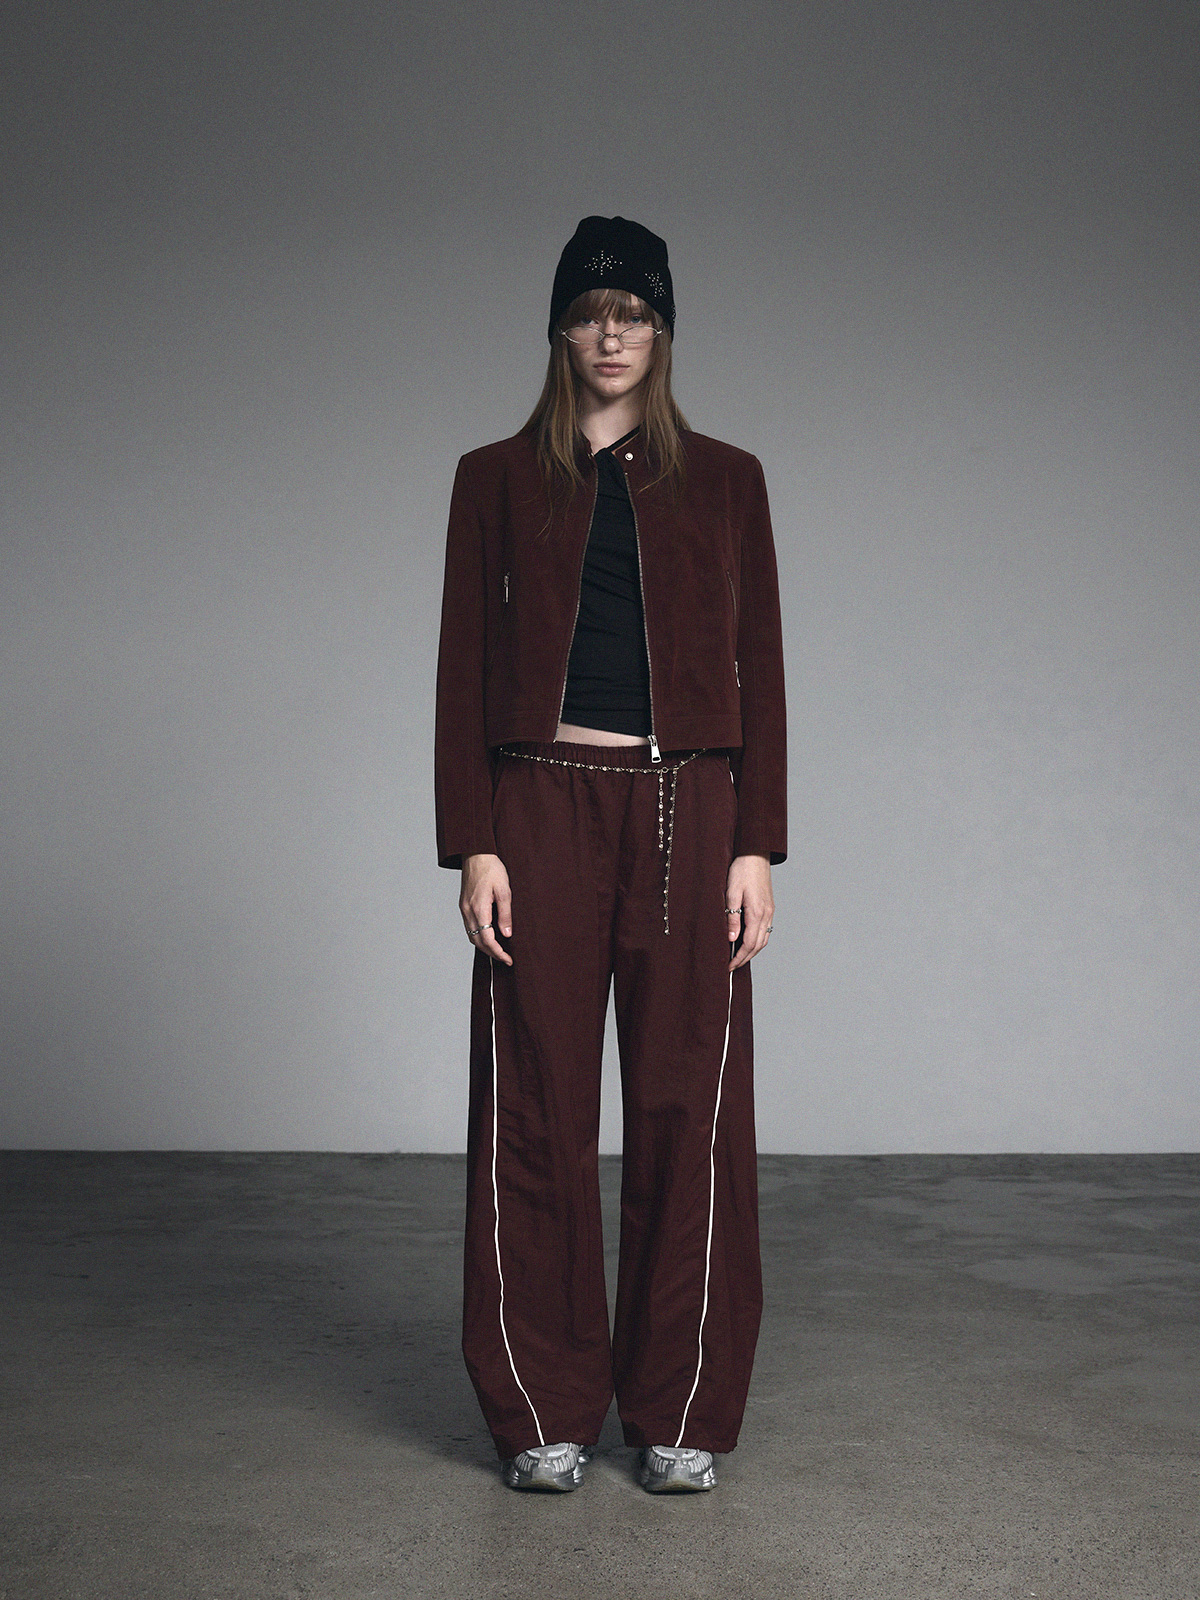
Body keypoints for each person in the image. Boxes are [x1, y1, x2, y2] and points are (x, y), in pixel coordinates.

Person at [434, 215, 787, 1494]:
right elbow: (462, 667)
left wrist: (760, 844)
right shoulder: (494, 478)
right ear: (560, 331)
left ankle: (679, 1405)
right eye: (589, 314)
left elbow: (761, 666)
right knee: (534, 1103)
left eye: (632, 313)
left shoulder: (729, 479)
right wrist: (473, 841)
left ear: (663, 329)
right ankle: (542, 1407)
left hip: (688, 808)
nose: (611, 334)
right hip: (538, 802)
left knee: (690, 1105)